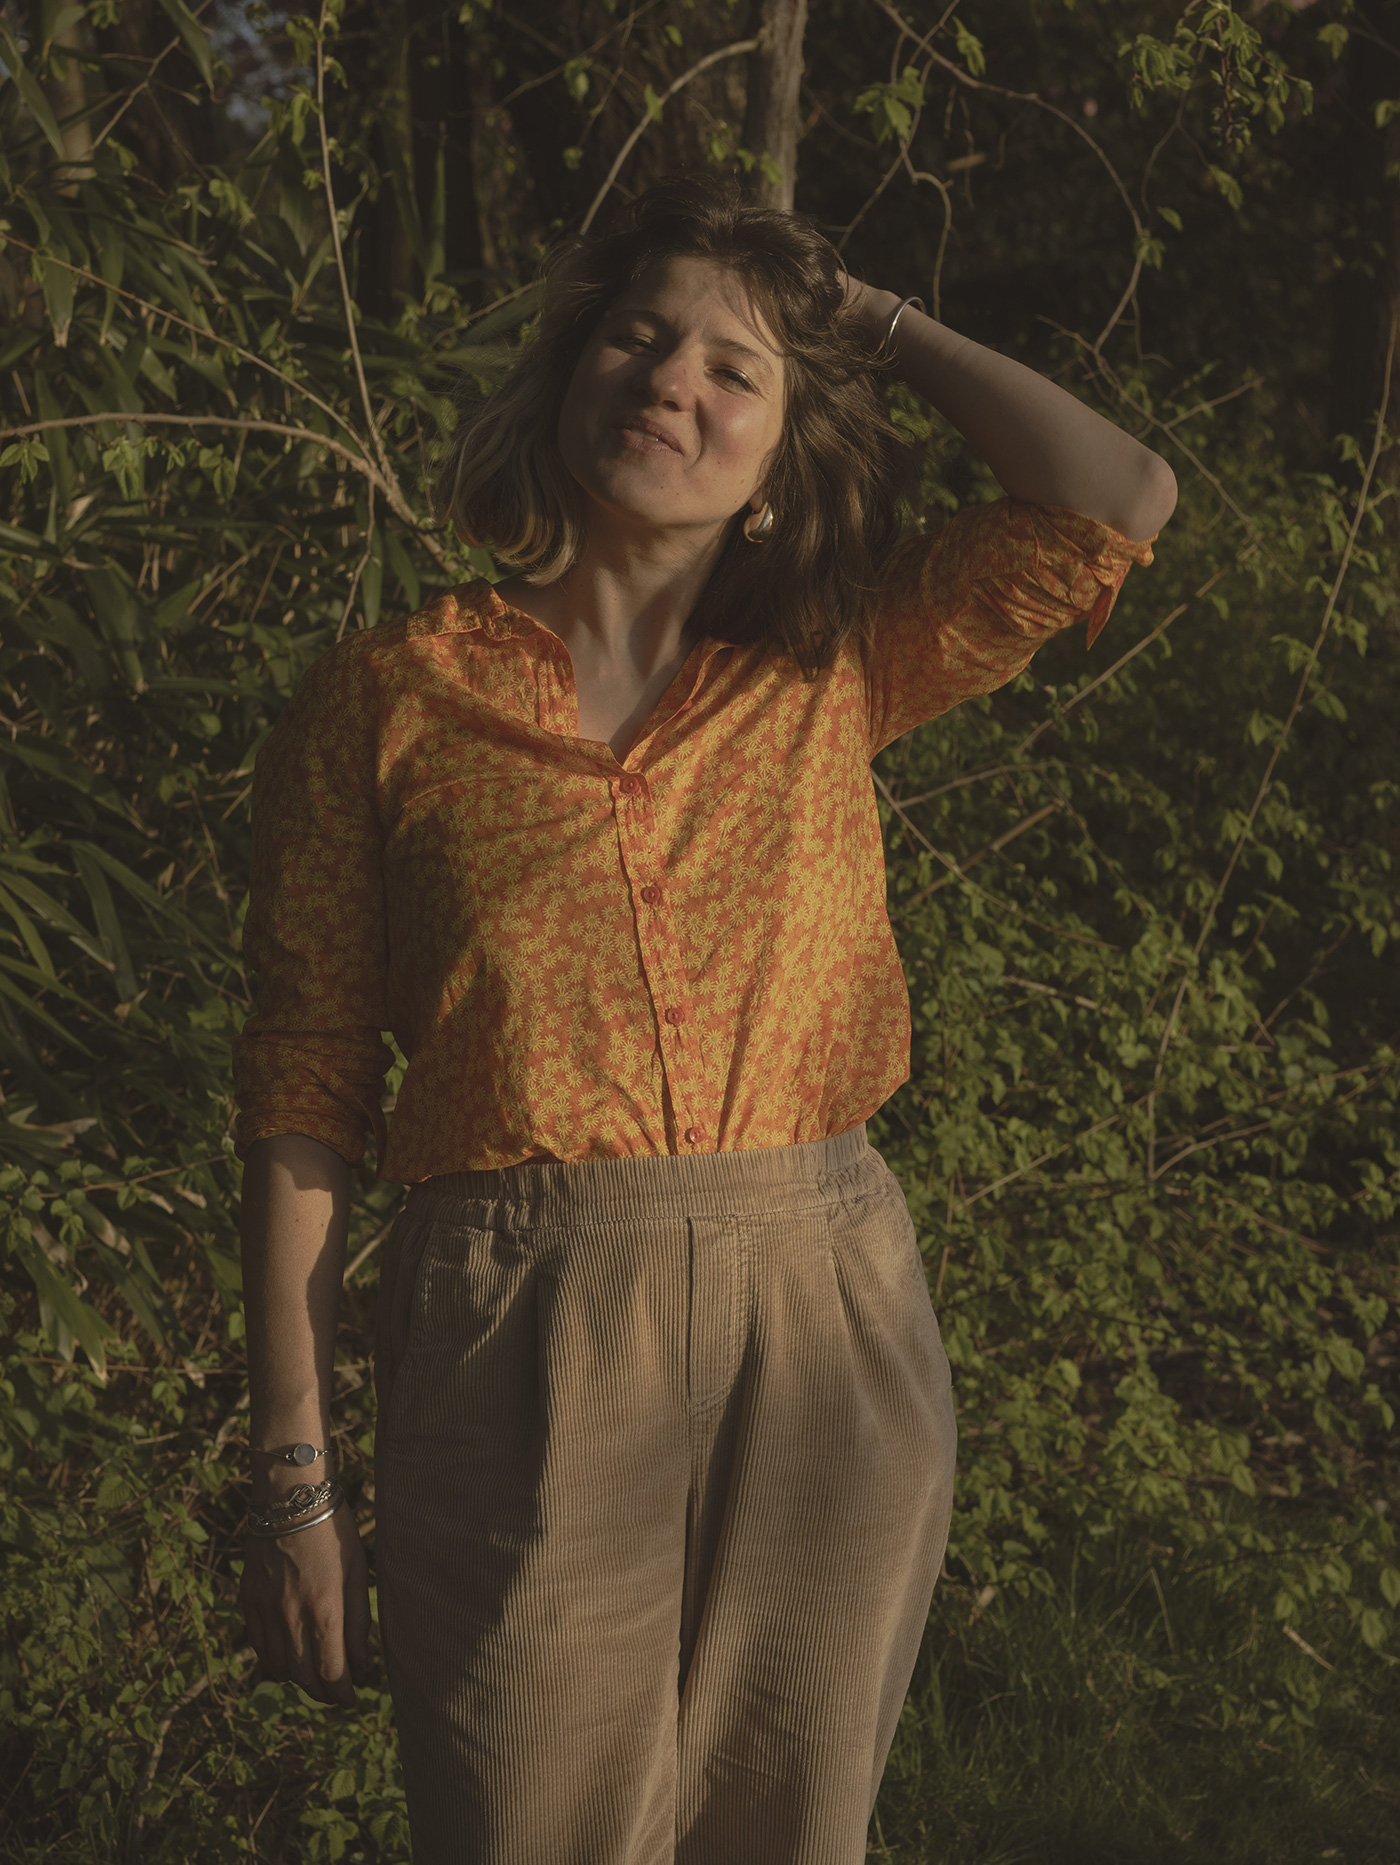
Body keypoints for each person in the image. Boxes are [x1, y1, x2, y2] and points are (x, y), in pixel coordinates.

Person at [233, 173, 1176, 1865]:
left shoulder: (837, 661)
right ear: (569, 376)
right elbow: (307, 1084)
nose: (674, 378)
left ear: (780, 460)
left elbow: (1117, 496)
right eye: (640, 336)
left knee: (791, 1833)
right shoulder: (387, 696)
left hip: (822, 1305)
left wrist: (856, 314)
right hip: (514, 1321)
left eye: (734, 368)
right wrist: (296, 1474)